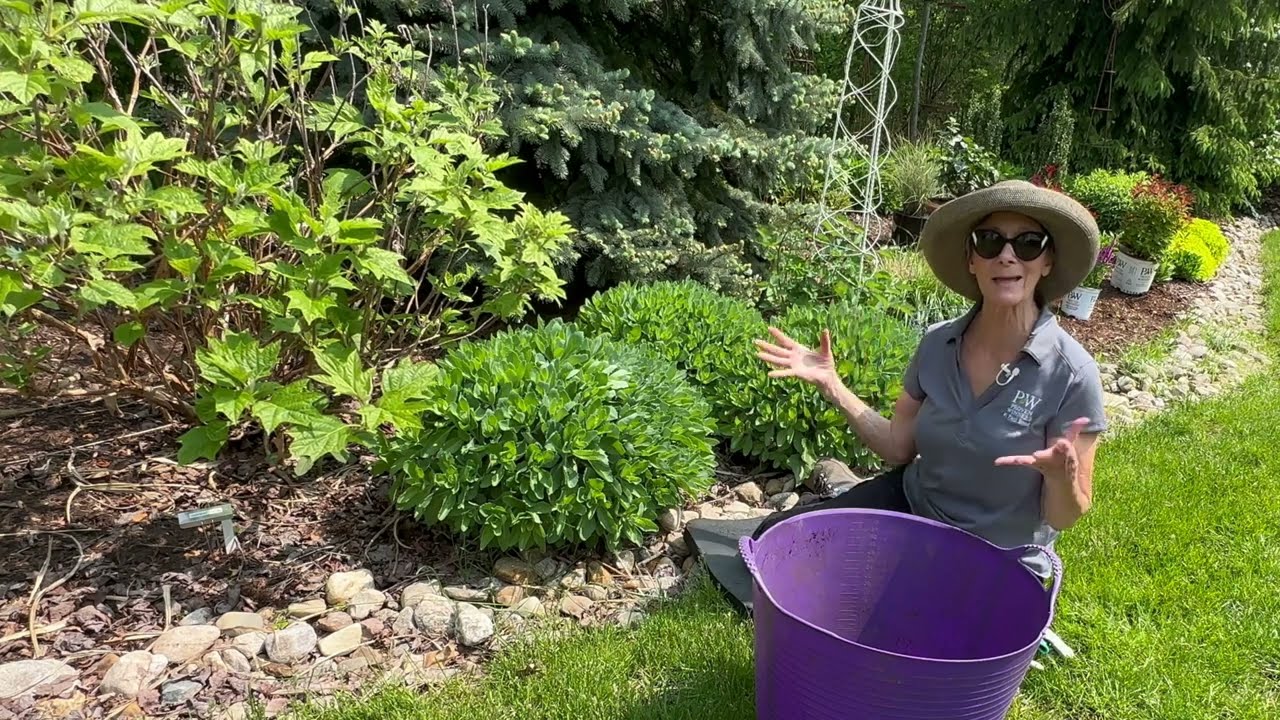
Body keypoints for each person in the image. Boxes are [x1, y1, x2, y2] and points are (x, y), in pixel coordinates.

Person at [751, 180, 1107, 578]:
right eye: (989, 242)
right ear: (972, 259)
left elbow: (1063, 516)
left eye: (1027, 243)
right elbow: (897, 447)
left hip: (996, 554)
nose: (1006, 256)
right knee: (776, 542)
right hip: (915, 510)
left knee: (905, 620)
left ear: (1047, 262)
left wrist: (1062, 476)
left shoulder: (1072, 374)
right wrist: (832, 384)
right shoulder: (939, 343)